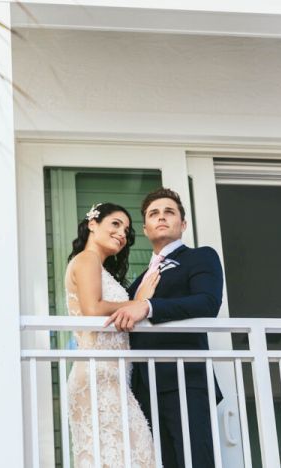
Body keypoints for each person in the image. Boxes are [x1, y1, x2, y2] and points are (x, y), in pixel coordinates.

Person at [105, 188, 224, 468]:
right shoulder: (136, 285)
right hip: (144, 389)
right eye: (153, 214)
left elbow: (208, 302)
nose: (161, 217)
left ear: (182, 224)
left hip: (185, 380)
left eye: (169, 212)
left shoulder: (200, 257)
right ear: (146, 228)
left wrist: (148, 307)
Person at [65, 202, 158, 467]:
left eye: (127, 231)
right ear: (93, 224)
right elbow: (93, 310)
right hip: (97, 377)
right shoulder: (86, 259)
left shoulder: (99, 267)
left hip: (112, 379)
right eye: (115, 224)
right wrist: (138, 303)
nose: (122, 234)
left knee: (132, 456)